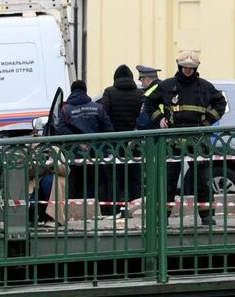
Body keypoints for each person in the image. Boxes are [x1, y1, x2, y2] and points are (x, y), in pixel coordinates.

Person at [143, 49, 227, 224]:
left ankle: (207, 216)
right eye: (184, 67)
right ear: (178, 65)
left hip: (198, 138)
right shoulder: (166, 86)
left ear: (196, 67)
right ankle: (162, 217)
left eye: (191, 67)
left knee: (202, 179)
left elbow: (221, 103)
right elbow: (149, 102)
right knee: (168, 180)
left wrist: (208, 120)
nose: (187, 70)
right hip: (172, 139)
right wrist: (159, 119)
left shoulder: (205, 87)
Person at [100, 64, 146, 209]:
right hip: (134, 143)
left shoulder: (109, 92)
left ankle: (114, 211)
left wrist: (110, 132)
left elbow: (103, 115)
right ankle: (137, 210)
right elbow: (144, 117)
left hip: (114, 143)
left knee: (114, 179)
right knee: (135, 179)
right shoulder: (140, 94)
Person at [58, 79, 113, 200]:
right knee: (97, 184)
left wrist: (77, 142)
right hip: (96, 154)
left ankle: (74, 214)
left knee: (75, 184)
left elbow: (61, 131)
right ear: (85, 91)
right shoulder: (98, 108)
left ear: (72, 92)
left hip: (74, 154)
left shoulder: (65, 110)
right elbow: (108, 130)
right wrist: (97, 145)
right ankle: (99, 212)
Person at [135, 64, 160, 130]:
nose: (142, 84)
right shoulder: (164, 87)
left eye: (142, 80)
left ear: (146, 79)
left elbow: (144, 122)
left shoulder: (149, 94)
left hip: (153, 134)